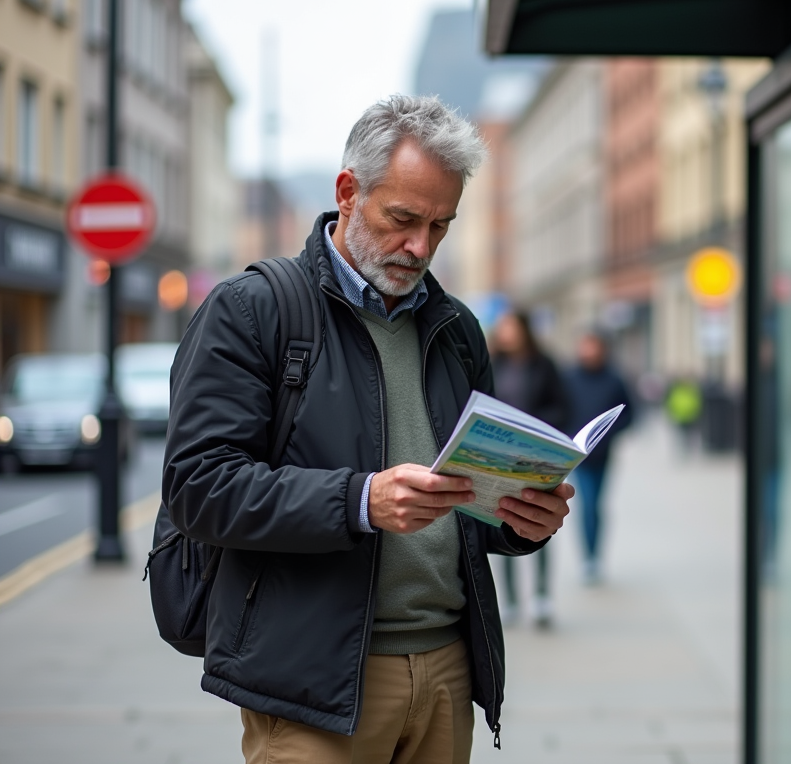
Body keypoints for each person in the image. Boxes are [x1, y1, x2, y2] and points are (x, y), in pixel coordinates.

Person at [163, 96, 573, 764]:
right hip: (313, 684)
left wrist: (522, 519)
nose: (420, 246)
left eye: (441, 226)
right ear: (348, 192)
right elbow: (199, 487)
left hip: (446, 672)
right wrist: (359, 501)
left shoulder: (457, 329)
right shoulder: (253, 310)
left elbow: (472, 505)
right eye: (404, 219)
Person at [489, 310, 571, 627]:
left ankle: (541, 596)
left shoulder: (543, 363)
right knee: (504, 521)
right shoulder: (494, 362)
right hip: (502, 456)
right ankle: (510, 599)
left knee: (539, 521)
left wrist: (539, 428)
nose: (505, 332)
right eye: (502, 327)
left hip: (537, 456)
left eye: (510, 326)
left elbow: (562, 406)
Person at [563, 332, 634, 584]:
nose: (589, 351)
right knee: (587, 504)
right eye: (585, 345)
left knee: (598, 505)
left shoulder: (614, 379)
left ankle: (595, 555)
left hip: (603, 454)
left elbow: (629, 413)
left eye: (594, 346)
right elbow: (559, 409)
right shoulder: (569, 377)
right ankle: (588, 558)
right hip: (577, 455)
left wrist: (610, 432)